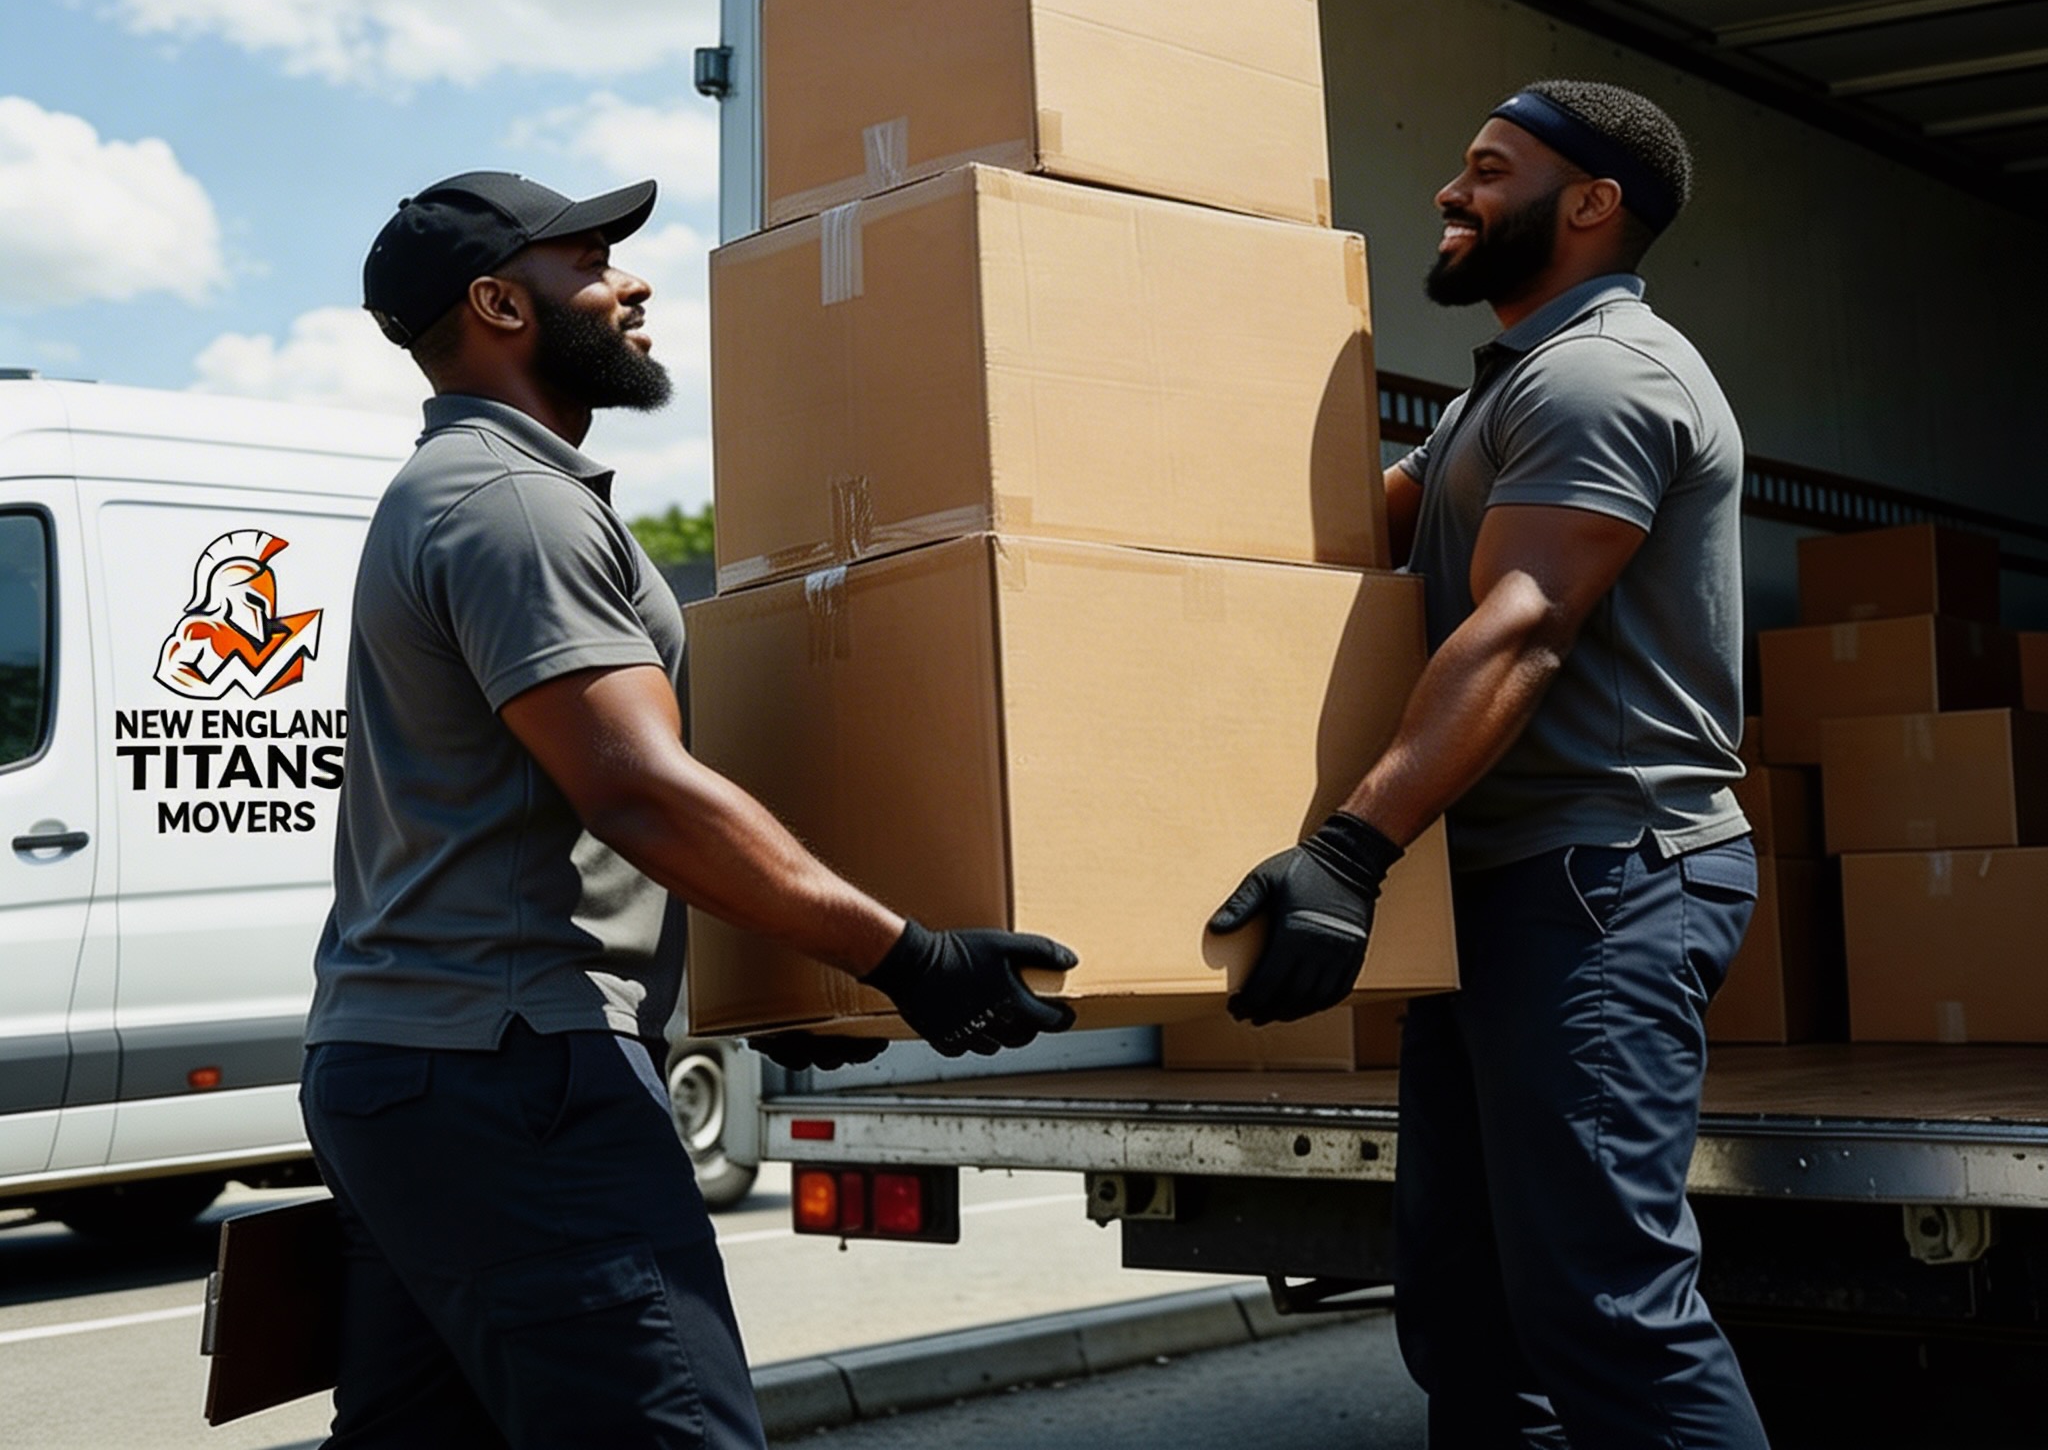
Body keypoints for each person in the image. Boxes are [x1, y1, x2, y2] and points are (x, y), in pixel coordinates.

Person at [303, 171, 1076, 1450]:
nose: (632, 278)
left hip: (424, 1066)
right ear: (499, 301)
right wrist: (903, 955)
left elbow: (560, 815)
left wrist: (773, 987)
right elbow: (634, 788)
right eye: (592, 259)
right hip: (510, 1073)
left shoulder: (472, 488)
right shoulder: (511, 505)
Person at [1211, 83, 1767, 1449]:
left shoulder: (1604, 378)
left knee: (1606, 1311)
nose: (1452, 195)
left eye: (1488, 171)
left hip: (1606, 883)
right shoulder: (1505, 393)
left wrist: (1348, 850)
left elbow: (1523, 625)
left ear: (1590, 206)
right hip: (1504, 892)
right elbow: (1348, 527)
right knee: (1467, 1316)